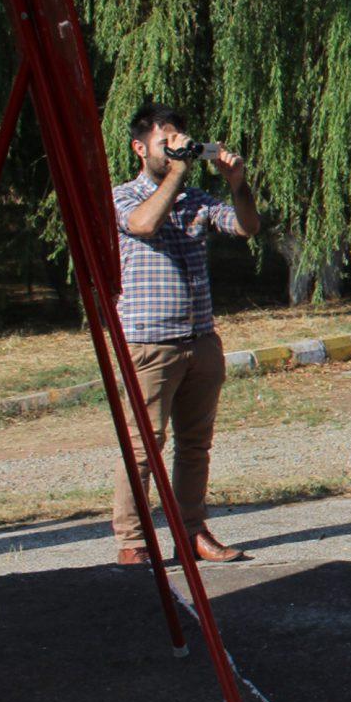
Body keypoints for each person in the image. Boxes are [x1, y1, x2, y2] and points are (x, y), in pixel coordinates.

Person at [111, 103, 261, 566]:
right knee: (143, 447)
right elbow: (144, 225)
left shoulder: (196, 198)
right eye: (165, 143)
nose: (176, 150)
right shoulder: (122, 197)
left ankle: (191, 532)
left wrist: (238, 185)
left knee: (195, 444)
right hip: (150, 343)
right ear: (140, 149)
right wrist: (176, 174)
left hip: (200, 340)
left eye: (181, 142)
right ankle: (134, 543)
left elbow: (246, 227)